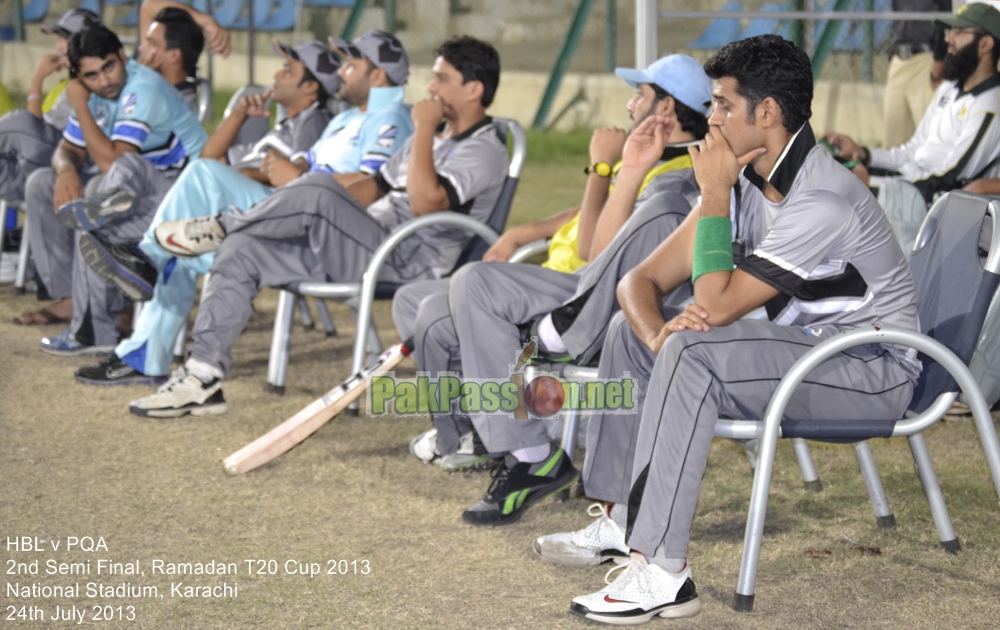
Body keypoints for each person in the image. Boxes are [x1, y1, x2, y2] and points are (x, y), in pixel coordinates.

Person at [532, 34, 921, 624]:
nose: (710, 121)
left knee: (693, 350)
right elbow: (637, 282)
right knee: (627, 335)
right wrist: (660, 340)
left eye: (721, 105)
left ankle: (663, 571)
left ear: (766, 114)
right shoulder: (744, 180)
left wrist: (712, 192)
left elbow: (712, 306)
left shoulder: (821, 199)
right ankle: (619, 519)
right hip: (810, 354)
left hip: (874, 369)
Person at [126, 35, 508, 418]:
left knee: (318, 188)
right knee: (243, 249)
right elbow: (371, 188)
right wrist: (322, 201)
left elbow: (427, 203)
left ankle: (223, 225)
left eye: (442, 79)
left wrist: (422, 129)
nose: (430, 88)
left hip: (407, 258)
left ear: (474, 89)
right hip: (361, 242)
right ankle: (202, 377)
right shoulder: (432, 135)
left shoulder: (485, 149)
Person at [394, 54, 712, 476]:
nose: (630, 106)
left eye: (640, 96)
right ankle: (480, 429)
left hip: (585, 296)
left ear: (666, 108)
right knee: (415, 301)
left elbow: (597, 254)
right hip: (568, 282)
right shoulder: (649, 158)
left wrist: (605, 168)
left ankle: (505, 441)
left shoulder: (673, 174)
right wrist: (526, 231)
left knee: (461, 296)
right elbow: (589, 226)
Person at [73, 39, 341, 385]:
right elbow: (209, 157)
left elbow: (295, 182)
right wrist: (239, 115)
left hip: (277, 219)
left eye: (289, 71)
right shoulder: (281, 127)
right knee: (180, 249)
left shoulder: (315, 122)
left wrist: (239, 175)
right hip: (242, 211)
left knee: (198, 184)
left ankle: (145, 256)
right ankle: (143, 357)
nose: (276, 74)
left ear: (311, 88)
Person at [14, 7, 212, 326]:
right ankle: (72, 297)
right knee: (42, 182)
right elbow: (68, 150)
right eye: (92, 75)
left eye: (109, 67)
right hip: (141, 183)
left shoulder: (142, 87)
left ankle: (108, 306)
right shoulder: (96, 89)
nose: (104, 80)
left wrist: (78, 103)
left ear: (120, 56)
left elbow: (117, 163)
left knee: (97, 192)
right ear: (80, 76)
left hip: (184, 190)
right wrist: (66, 170)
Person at [825, 2, 1000, 252]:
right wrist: (863, 155)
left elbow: (951, 182)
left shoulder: (991, 105)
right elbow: (911, 152)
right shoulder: (948, 89)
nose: (948, 38)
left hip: (933, 210)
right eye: (949, 31)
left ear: (985, 44)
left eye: (958, 32)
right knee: (828, 167)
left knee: (837, 198)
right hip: (908, 195)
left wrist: (875, 185)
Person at [2, 10, 103, 326]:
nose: (59, 46)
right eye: (59, 38)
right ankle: (67, 297)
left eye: (65, 38)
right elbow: (36, 130)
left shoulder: (101, 79)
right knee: (31, 173)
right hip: (52, 159)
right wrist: (37, 81)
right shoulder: (65, 84)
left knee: (17, 123)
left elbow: (28, 129)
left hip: (84, 162)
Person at [882, 0, 950, 148]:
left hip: (926, 61)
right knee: (892, 145)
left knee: (930, 144)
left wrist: (939, 61)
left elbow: (948, 12)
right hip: (899, 59)